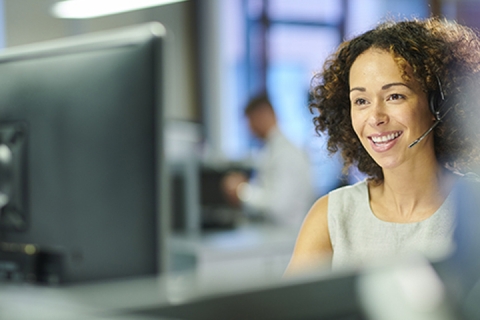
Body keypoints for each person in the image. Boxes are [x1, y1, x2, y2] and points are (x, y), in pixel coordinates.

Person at [286, 17, 480, 274]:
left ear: (437, 104)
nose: (376, 117)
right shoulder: (331, 217)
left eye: (394, 96)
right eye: (361, 101)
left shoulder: (472, 208)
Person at [222, 94, 315, 230]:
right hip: (277, 235)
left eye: (250, 121)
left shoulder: (286, 153)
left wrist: (242, 190)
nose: (249, 128)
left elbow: (278, 206)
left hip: (285, 236)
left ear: (262, 115)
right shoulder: (271, 150)